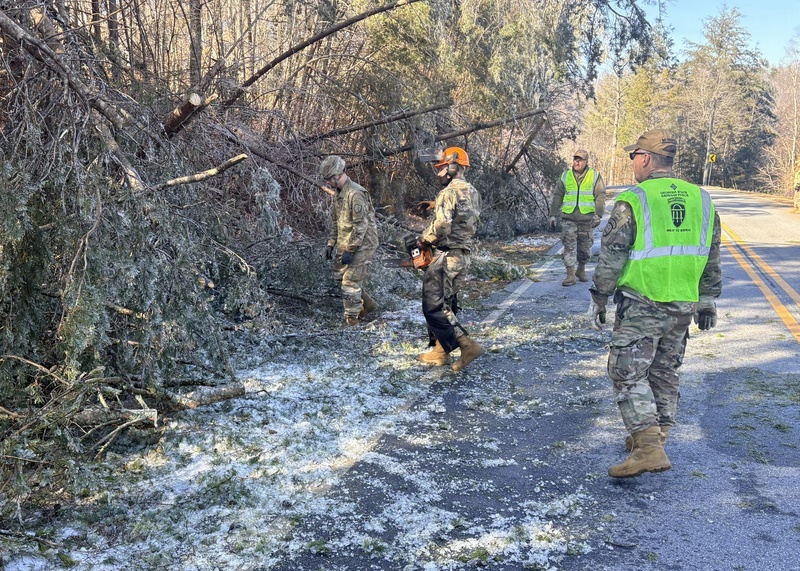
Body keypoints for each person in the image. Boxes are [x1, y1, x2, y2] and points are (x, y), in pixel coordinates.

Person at [589, 129, 722, 479]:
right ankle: (656, 439)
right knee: (664, 372)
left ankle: (648, 447)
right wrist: (707, 301)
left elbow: (613, 255)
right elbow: (711, 255)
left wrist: (599, 296)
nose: (633, 161)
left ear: (646, 158)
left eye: (635, 155)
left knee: (626, 372)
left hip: (643, 302)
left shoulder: (635, 199)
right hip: (683, 305)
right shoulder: (701, 199)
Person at [416, 147, 485, 372]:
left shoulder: (448, 193)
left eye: (442, 169)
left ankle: (467, 346)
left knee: (433, 306)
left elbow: (443, 226)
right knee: (446, 304)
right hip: (461, 255)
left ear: (453, 167)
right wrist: (437, 207)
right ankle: (440, 351)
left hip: (446, 254)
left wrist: (424, 239)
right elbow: (464, 216)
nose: (439, 174)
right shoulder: (473, 191)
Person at [319, 155, 379, 327]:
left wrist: (350, 250)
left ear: (337, 175)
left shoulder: (356, 193)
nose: (328, 183)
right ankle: (367, 304)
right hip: (347, 240)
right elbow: (336, 222)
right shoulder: (339, 195)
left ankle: (352, 321)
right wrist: (331, 244)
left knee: (350, 281)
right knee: (339, 275)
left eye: (329, 179)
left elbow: (361, 226)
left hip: (363, 243)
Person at [549, 150, 606, 286]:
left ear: (586, 162)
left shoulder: (594, 176)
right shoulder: (565, 176)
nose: (577, 162)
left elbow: (600, 195)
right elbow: (558, 196)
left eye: (580, 160)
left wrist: (598, 215)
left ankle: (581, 269)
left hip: (587, 220)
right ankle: (570, 275)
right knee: (569, 246)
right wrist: (552, 214)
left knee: (584, 249)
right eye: (575, 159)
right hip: (568, 218)